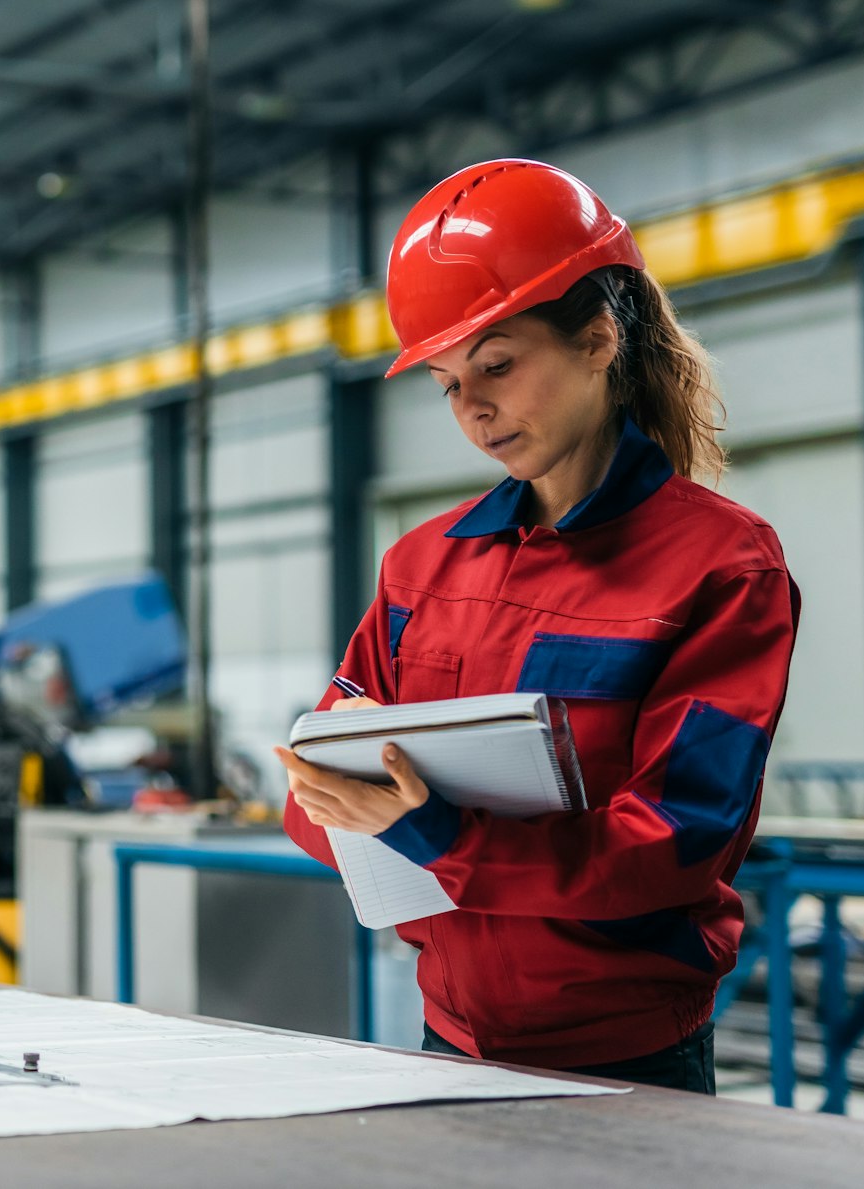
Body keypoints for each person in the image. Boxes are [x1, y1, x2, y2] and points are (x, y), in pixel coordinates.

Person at [276, 158, 800, 1095]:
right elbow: (316, 781)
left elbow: (679, 839)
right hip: (449, 1041)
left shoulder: (722, 566)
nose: (473, 409)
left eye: (498, 365)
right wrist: (336, 803)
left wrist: (441, 837)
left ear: (598, 339)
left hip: (630, 1064)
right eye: (447, 383)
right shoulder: (421, 567)